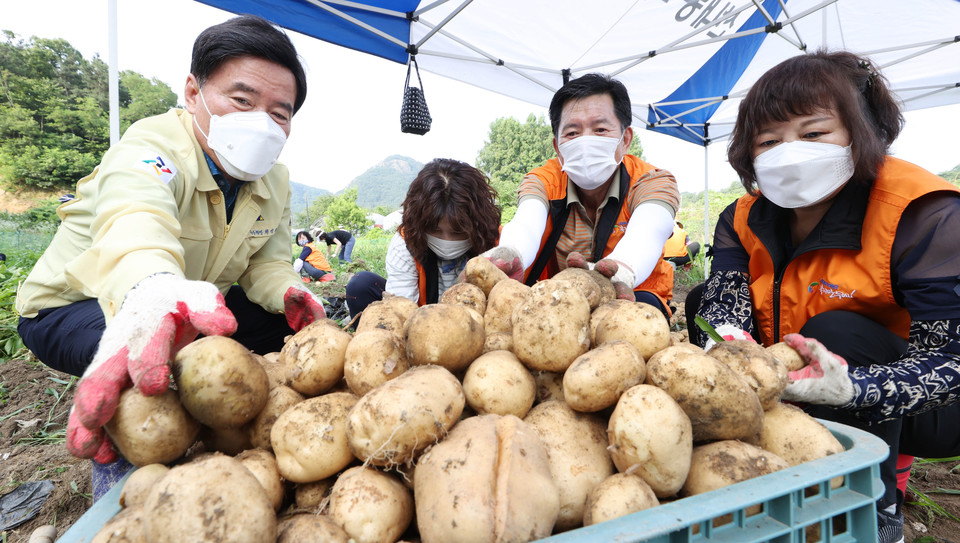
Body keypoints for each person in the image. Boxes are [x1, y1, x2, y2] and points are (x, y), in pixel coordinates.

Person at [14, 15, 326, 479]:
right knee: (147, 350)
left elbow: (268, 263)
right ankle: (126, 494)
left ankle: (233, 430)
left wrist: (288, 292)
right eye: (241, 100)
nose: (260, 123)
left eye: (279, 113)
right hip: (72, 306)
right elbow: (135, 218)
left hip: (189, 304)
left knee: (282, 329)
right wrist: (151, 289)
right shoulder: (150, 148)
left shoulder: (275, 182)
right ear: (194, 92)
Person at [688, 50, 960, 543]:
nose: (789, 152)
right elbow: (724, 296)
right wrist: (730, 348)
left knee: (837, 331)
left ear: (862, 133)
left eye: (814, 134)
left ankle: (877, 502)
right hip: (797, 377)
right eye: (768, 141)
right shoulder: (743, 216)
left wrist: (856, 388)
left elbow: (953, 364)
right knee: (700, 304)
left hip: (927, 404)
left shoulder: (924, 214)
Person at [481, 73, 680, 317]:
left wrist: (622, 271)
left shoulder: (652, 181)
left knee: (633, 315)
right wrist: (511, 252)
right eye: (573, 133)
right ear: (557, 147)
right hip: (558, 302)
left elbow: (649, 230)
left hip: (634, 295)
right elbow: (527, 223)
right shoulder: (544, 180)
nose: (586, 141)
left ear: (625, 139)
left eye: (600, 129)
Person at [345, 158, 500, 319]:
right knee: (361, 285)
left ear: (477, 225)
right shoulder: (406, 242)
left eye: (458, 231)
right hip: (421, 320)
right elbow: (402, 312)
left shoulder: (496, 239)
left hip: (478, 322)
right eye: (435, 230)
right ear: (420, 225)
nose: (447, 241)